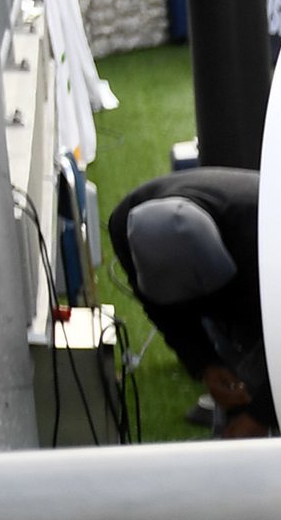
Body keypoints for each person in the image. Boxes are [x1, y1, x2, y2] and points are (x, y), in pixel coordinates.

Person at [106, 171, 272, 437]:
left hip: (270, 271)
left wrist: (260, 415)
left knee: (262, 370)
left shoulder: (266, 237)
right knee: (238, 372)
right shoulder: (126, 228)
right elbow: (162, 310)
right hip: (243, 258)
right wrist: (204, 362)